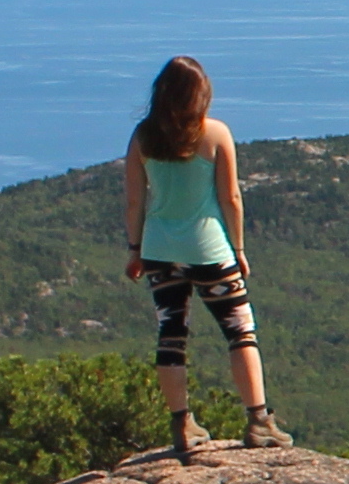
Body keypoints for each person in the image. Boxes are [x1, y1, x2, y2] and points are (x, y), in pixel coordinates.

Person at [122, 55, 286, 460]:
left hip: (160, 250)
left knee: (171, 336)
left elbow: (133, 200)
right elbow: (231, 197)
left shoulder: (143, 137)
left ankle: (182, 424)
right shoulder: (215, 134)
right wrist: (240, 249)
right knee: (240, 331)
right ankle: (259, 421)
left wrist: (134, 249)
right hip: (210, 249)